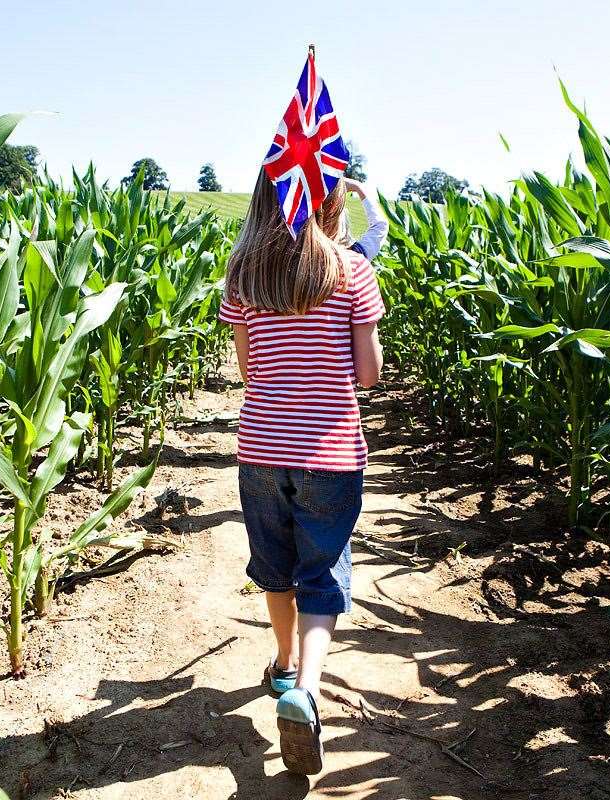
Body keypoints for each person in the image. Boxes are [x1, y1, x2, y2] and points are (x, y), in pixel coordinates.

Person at [218, 168, 386, 775]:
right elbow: (367, 375)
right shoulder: (351, 271)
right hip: (330, 454)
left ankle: (282, 663)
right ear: (332, 202)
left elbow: (249, 373)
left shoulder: (242, 276)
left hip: (262, 450)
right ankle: (306, 691)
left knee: (275, 566)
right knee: (321, 573)